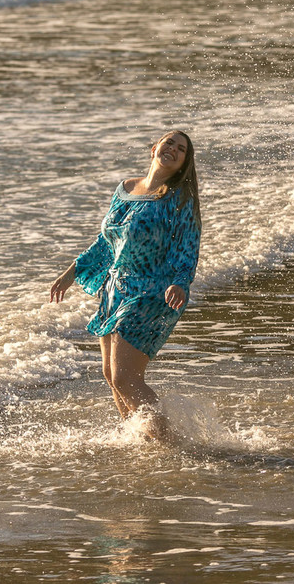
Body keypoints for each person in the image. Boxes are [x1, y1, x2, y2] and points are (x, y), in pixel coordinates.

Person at [50, 131, 202, 438]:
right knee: (111, 375)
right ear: (154, 148)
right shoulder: (125, 189)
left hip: (153, 292)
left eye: (181, 149)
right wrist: (71, 273)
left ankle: (168, 444)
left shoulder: (178, 199)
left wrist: (180, 283)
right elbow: (107, 242)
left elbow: (189, 246)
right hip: (115, 289)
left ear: (184, 163)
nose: (173, 148)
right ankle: (142, 439)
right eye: (169, 142)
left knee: (125, 378)